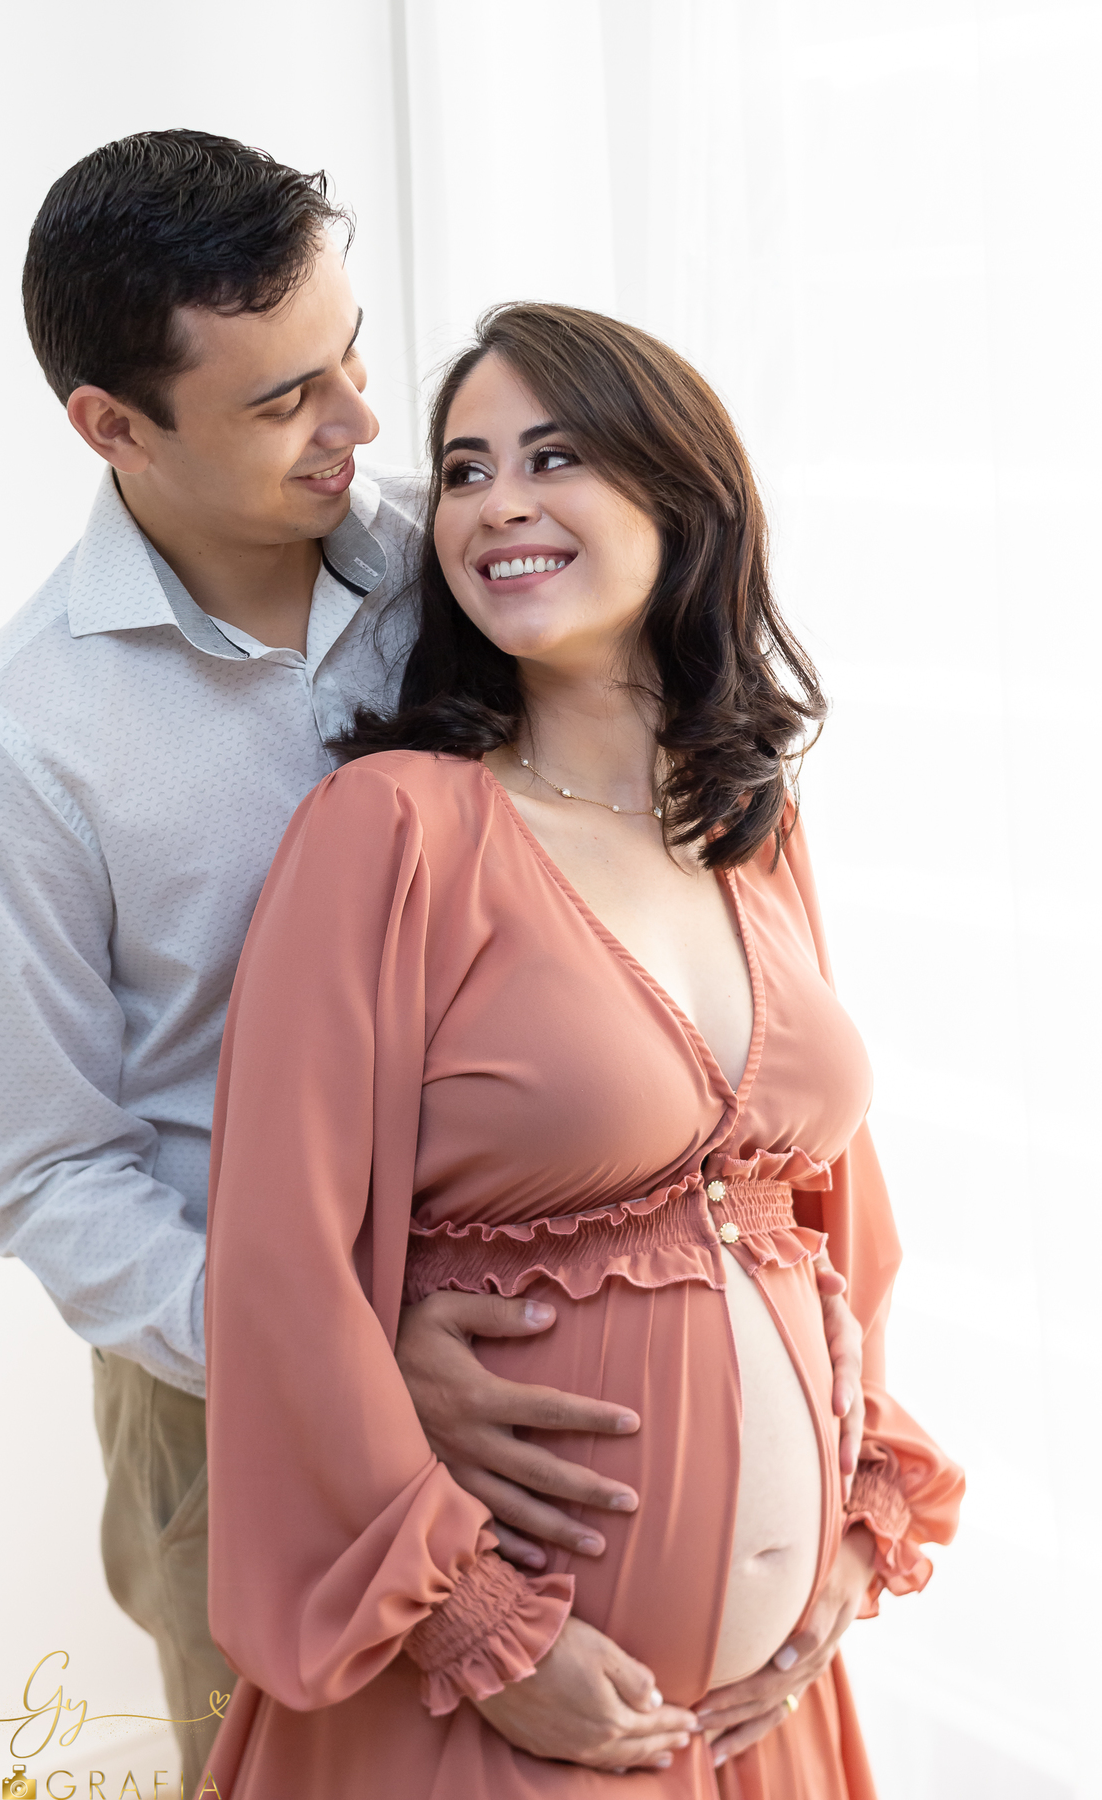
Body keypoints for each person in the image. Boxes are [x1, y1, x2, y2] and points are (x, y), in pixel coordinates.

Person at [0, 131, 867, 1795]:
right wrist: (343, 1345)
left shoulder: (462, 546)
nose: (360, 425)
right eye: (286, 400)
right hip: (222, 1387)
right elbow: (58, 1174)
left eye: (352, 355)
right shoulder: (29, 747)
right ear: (112, 427)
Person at [201, 302, 965, 1798]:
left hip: (767, 1711)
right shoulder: (394, 829)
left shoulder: (752, 826)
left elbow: (838, 1227)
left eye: (553, 456)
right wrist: (481, 1626)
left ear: (681, 502)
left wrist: (848, 1528)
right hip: (495, 1698)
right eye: (466, 470)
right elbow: (279, 1270)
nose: (496, 506)